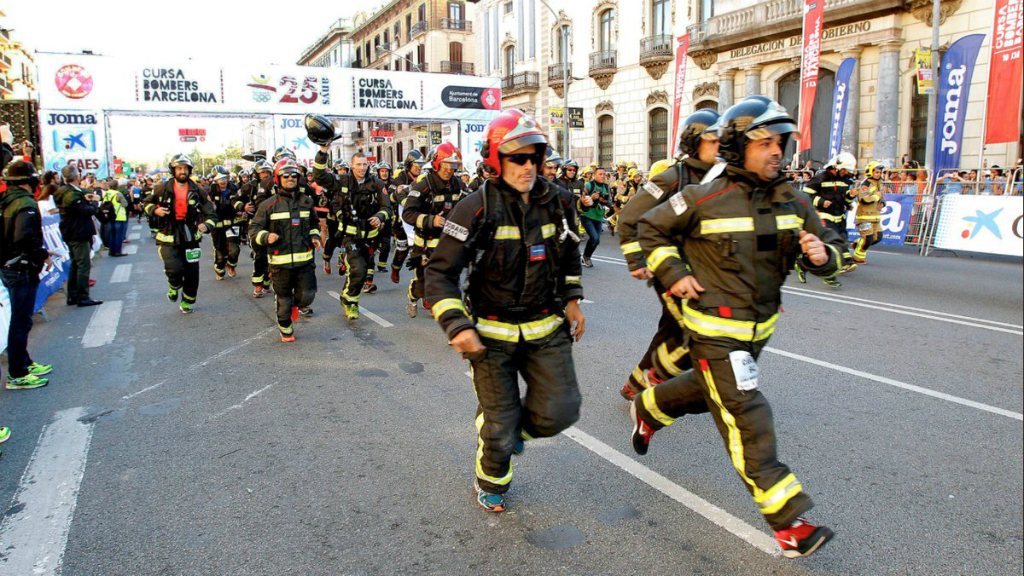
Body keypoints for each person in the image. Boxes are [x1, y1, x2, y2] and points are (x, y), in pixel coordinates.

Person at [631, 98, 841, 559]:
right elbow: (650, 228)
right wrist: (673, 273)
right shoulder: (704, 194)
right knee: (746, 413)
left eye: (780, 142)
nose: (775, 152)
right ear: (737, 146)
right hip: (714, 329)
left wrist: (821, 256)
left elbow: (829, 244)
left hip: (760, 328)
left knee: (708, 392)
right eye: (764, 142)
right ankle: (788, 523)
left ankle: (650, 407)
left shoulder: (791, 197)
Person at [424, 108, 585, 512]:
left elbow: (568, 257)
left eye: (535, 156)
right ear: (496, 159)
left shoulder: (560, 201)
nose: (528, 165)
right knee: (498, 430)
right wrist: (456, 324)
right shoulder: (473, 207)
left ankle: (506, 427)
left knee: (561, 412)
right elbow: (440, 274)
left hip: (546, 328)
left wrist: (572, 299)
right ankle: (492, 478)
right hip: (491, 336)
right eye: (518, 157)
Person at [615, 108, 720, 401]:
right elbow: (630, 216)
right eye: (713, 140)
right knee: (695, 331)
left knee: (670, 331)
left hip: (707, 271)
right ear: (694, 141)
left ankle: (636, 383)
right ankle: (656, 380)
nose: (720, 146)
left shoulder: (722, 177)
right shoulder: (673, 177)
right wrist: (636, 260)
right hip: (673, 269)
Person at [249, 159, 321, 341]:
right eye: (285, 175)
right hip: (279, 263)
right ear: (278, 179)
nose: (290, 178)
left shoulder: (307, 202)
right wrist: (266, 236)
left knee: (307, 296)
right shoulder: (267, 205)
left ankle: (296, 306)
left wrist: (315, 237)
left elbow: (314, 224)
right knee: (284, 300)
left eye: (293, 175)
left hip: (305, 261)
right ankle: (285, 327)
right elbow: (254, 229)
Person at [313, 151, 390, 319]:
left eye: (364, 164)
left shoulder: (376, 184)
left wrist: (380, 216)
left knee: (366, 269)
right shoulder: (342, 181)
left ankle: (347, 297)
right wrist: (323, 152)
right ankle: (352, 302)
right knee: (358, 270)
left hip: (370, 237)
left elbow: (387, 207)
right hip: (350, 236)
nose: (362, 168)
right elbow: (319, 177)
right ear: (352, 165)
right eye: (359, 164)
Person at [1, 160, 54, 391]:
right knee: (21, 320)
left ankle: (24, 362)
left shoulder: (7, 200)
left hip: (11, 266)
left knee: (21, 319)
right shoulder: (23, 203)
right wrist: (43, 254)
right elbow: (23, 237)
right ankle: (18, 374)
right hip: (20, 267)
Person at [143, 154, 216, 313]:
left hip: (190, 234)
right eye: (179, 168)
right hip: (167, 234)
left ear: (189, 170)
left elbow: (211, 213)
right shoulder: (161, 188)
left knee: (192, 271)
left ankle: (187, 301)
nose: (182, 172)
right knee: (174, 268)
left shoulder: (198, 190)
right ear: (173, 170)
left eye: (185, 168)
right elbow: (147, 203)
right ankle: (174, 285)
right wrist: (155, 210)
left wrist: (207, 225)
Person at [402, 142, 463, 318]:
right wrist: (431, 220)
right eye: (446, 165)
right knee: (423, 283)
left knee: (449, 280)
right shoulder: (423, 185)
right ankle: (413, 294)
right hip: (425, 247)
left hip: (448, 243)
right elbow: (408, 214)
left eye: (453, 166)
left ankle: (450, 317)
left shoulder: (456, 184)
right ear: (436, 163)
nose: (449, 170)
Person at [797, 152, 857, 286]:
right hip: (823, 216)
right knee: (832, 243)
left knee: (841, 241)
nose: (847, 173)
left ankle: (803, 266)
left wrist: (850, 199)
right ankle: (831, 275)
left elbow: (843, 198)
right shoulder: (820, 178)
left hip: (839, 217)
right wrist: (821, 201)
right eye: (845, 170)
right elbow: (806, 197)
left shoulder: (845, 180)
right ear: (837, 167)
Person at [55, 165, 103, 307]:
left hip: (71, 231)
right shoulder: (71, 194)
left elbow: (79, 196)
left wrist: (85, 196)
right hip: (78, 231)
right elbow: (85, 211)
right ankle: (82, 296)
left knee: (75, 263)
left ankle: (73, 295)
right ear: (77, 177)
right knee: (83, 264)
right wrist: (95, 202)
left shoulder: (65, 191)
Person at [240, 160, 275, 296]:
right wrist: (242, 206)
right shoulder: (249, 187)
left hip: (273, 225)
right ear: (256, 174)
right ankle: (258, 285)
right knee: (259, 256)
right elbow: (235, 198)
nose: (265, 175)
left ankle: (267, 280)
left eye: (267, 172)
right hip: (256, 226)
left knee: (273, 256)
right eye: (262, 173)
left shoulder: (275, 185)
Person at [209, 167, 243, 279]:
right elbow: (204, 206)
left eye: (224, 178)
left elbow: (241, 201)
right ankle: (220, 270)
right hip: (218, 225)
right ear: (215, 180)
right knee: (220, 250)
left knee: (233, 249)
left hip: (232, 223)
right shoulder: (210, 191)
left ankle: (231, 265)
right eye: (219, 179)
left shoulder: (235, 188)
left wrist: (240, 210)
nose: (222, 181)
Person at [851, 161, 885, 265]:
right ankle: (857, 257)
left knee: (878, 237)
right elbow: (864, 199)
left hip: (875, 216)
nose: (879, 174)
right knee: (867, 239)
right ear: (870, 172)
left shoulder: (879, 183)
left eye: (880, 172)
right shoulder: (865, 184)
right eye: (877, 172)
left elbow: (880, 197)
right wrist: (878, 196)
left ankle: (857, 243)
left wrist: (883, 202)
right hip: (864, 216)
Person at [578, 166, 612, 267]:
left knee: (597, 240)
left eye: (604, 174)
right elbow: (581, 200)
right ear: (594, 175)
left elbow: (610, 203)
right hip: (587, 215)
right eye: (600, 174)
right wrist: (591, 197)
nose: (602, 176)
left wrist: (604, 201)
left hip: (598, 216)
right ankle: (585, 257)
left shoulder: (606, 187)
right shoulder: (588, 185)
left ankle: (586, 257)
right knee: (594, 237)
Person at [103, 179, 130, 256]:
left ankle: (111, 250)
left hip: (110, 216)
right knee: (119, 235)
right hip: (118, 216)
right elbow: (125, 204)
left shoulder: (106, 193)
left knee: (112, 234)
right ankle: (118, 251)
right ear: (117, 186)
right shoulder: (118, 194)